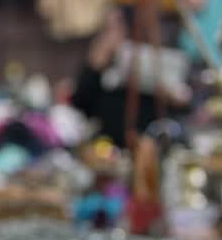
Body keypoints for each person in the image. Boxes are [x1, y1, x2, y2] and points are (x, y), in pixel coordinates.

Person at [69, 8, 191, 149]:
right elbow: (80, 102)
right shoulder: (100, 64)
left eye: (117, 27)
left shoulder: (152, 55)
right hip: (109, 147)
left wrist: (175, 96)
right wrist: (96, 62)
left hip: (149, 144)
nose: (112, 35)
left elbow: (180, 104)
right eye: (107, 29)